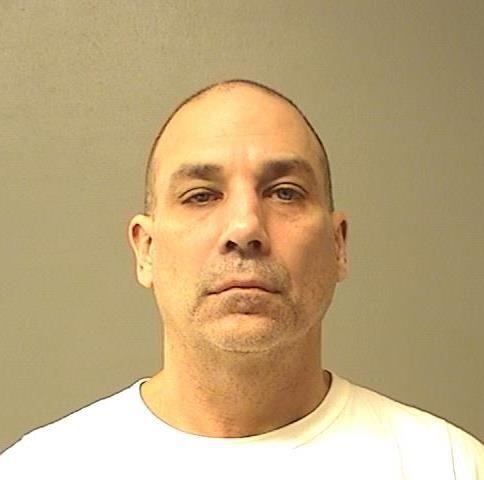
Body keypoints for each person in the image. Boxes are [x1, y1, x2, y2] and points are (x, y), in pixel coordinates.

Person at [1, 79, 482, 478]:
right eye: (201, 196)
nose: (245, 227)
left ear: (337, 245)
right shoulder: (39, 469)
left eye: (285, 193)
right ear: (146, 249)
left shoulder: (450, 465)